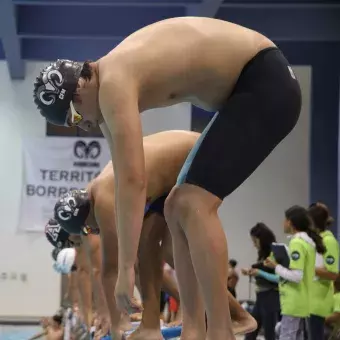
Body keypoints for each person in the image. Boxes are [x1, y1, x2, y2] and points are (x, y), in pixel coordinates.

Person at [33, 17, 301, 340]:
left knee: (189, 203)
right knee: (176, 207)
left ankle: (221, 329)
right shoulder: (107, 91)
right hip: (250, 90)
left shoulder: (113, 81)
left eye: (75, 119)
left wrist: (125, 270)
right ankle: (195, 329)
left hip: (264, 82)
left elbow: (133, 182)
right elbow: (126, 184)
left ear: (79, 90)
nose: (84, 126)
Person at [54, 131, 256, 340]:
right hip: (171, 177)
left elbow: (108, 270)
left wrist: (115, 324)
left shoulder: (104, 201)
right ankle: (152, 326)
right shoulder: (98, 192)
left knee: (174, 249)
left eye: (88, 229)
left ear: (85, 217)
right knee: (147, 245)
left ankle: (225, 318)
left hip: (201, 155)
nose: (93, 233)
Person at [264, 205, 326, 340]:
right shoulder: (307, 242)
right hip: (302, 299)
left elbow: (297, 276)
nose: (282, 223)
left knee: (287, 336)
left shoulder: (297, 243)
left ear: (290, 222)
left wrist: (275, 267)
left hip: (293, 300)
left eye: (284, 219)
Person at [242, 223, 280, 340]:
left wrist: (260, 273)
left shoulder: (275, 254)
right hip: (260, 298)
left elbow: (279, 278)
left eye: (255, 241)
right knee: (250, 333)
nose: (254, 244)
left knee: (270, 335)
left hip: (271, 298)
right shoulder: (262, 255)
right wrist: (251, 272)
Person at [308, 202, 339, 340]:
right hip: (308, 302)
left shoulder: (329, 241)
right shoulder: (315, 241)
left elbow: (333, 274)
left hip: (319, 304)